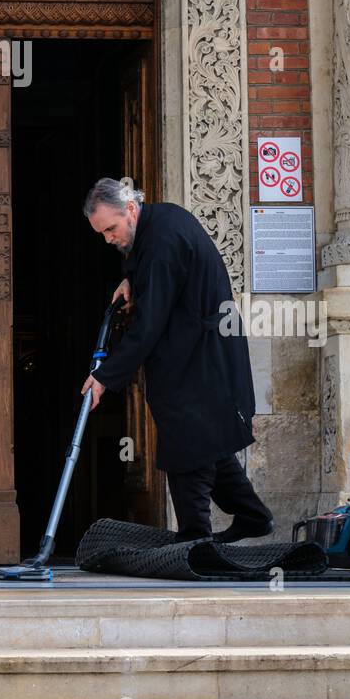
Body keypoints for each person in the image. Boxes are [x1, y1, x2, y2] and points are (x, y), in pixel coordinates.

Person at [80, 178, 274, 544]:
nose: (108, 239)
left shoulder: (163, 242)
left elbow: (149, 322)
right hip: (196, 352)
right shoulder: (161, 222)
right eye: (101, 233)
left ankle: (194, 537)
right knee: (204, 440)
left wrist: (105, 376)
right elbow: (156, 274)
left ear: (131, 210)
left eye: (111, 228)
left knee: (185, 443)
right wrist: (131, 280)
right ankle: (253, 516)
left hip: (198, 357)